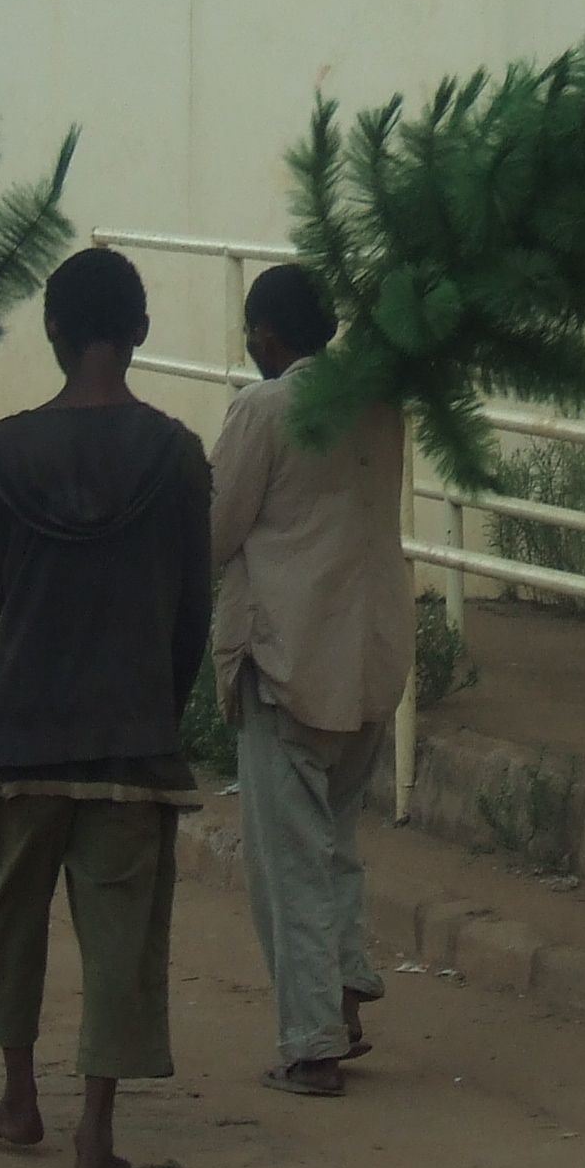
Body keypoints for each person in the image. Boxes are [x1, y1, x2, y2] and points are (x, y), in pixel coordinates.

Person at [0, 246, 212, 1168]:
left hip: (26, 729)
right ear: (139, 333)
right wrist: (160, 711)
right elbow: (193, 609)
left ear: (52, 331)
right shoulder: (176, 453)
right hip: (130, 733)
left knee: (13, 917)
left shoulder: (8, 451)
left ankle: (18, 1100)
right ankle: (96, 1132)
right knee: (121, 933)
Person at [209, 262, 412, 1098]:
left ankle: (312, 1043)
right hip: (370, 656)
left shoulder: (263, 408)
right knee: (336, 841)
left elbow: (215, 530)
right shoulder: (380, 402)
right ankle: (345, 995)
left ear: (266, 336)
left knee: (288, 861)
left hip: (289, 658)